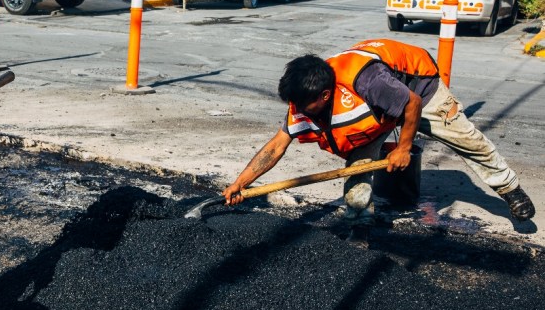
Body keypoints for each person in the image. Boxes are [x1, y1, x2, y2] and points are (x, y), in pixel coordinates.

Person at [223, 39, 535, 229]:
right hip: (376, 113)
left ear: (325, 95)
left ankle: (509, 188)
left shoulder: (367, 81)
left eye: (304, 106)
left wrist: (403, 147)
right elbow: (277, 145)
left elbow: (410, 105)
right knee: (358, 167)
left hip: (417, 90)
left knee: (466, 139)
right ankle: (360, 224)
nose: (298, 112)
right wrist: (241, 182)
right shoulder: (303, 99)